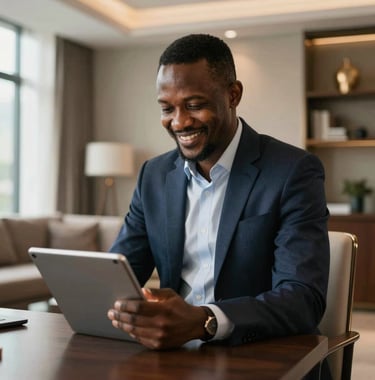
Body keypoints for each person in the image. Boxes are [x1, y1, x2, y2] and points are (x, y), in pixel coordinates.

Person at [107, 34, 329, 361]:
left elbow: (302, 299)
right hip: (172, 355)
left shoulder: (293, 171)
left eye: (194, 105)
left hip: (258, 353)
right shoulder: (153, 176)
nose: (179, 122)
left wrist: (205, 321)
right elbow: (118, 274)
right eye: (167, 108)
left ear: (233, 94)